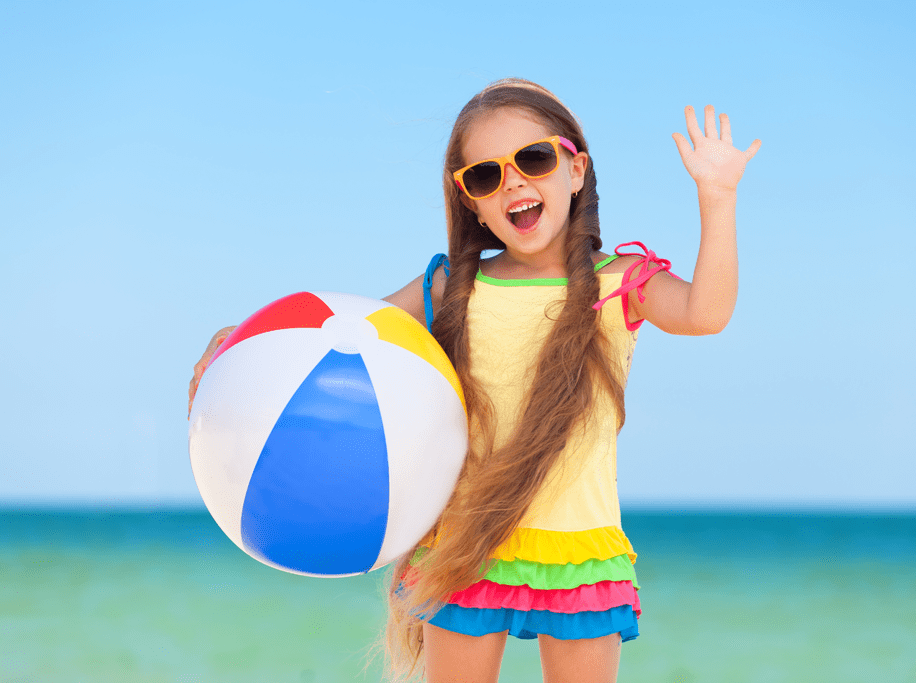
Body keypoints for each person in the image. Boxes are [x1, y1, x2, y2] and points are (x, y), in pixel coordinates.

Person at [188, 78, 759, 683]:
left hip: (578, 547)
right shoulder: (449, 287)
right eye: (486, 176)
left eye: (534, 159)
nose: (512, 181)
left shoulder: (618, 281)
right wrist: (241, 341)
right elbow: (344, 330)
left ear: (575, 169)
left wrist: (717, 198)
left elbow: (706, 313)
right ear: (471, 202)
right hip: (463, 541)